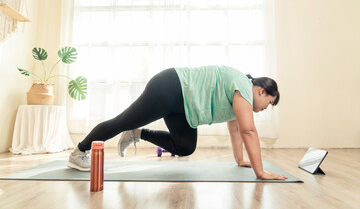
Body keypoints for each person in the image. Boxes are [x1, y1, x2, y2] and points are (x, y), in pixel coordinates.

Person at [67, 66, 288, 180]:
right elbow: (249, 131)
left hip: (185, 108)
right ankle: (79, 153)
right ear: (261, 91)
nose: (262, 109)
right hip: (171, 87)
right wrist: (261, 173)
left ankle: (137, 133)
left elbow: (237, 129)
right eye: (266, 104)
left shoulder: (240, 92)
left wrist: (240, 159)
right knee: (122, 121)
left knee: (185, 146)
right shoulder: (242, 87)